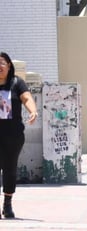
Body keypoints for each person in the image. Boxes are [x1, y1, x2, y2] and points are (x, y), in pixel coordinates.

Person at [0, 52, 38, 218]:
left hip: (13, 135)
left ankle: (7, 205)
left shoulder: (17, 83)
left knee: (9, 169)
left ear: (9, 66)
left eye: (2, 62)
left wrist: (33, 111)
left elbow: (27, 98)